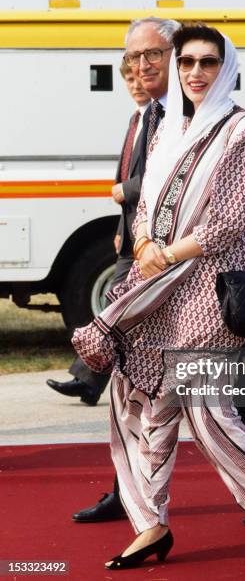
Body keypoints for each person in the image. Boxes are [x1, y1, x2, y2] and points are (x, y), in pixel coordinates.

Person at [73, 22, 245, 574]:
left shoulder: (242, 128)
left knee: (208, 413)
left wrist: (166, 253)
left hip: (205, 289)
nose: (196, 72)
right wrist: (141, 244)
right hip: (152, 290)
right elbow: (145, 203)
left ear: (225, 67)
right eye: (187, 63)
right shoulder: (167, 127)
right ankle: (149, 523)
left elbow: (229, 222)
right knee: (138, 405)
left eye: (207, 62)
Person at [46, 60, 151, 407]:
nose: (136, 84)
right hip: (132, 234)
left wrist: (126, 190)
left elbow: (159, 176)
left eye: (141, 78)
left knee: (123, 310)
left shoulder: (157, 120)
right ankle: (89, 380)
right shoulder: (135, 119)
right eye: (130, 79)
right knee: (113, 307)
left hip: (151, 234)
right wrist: (121, 229)